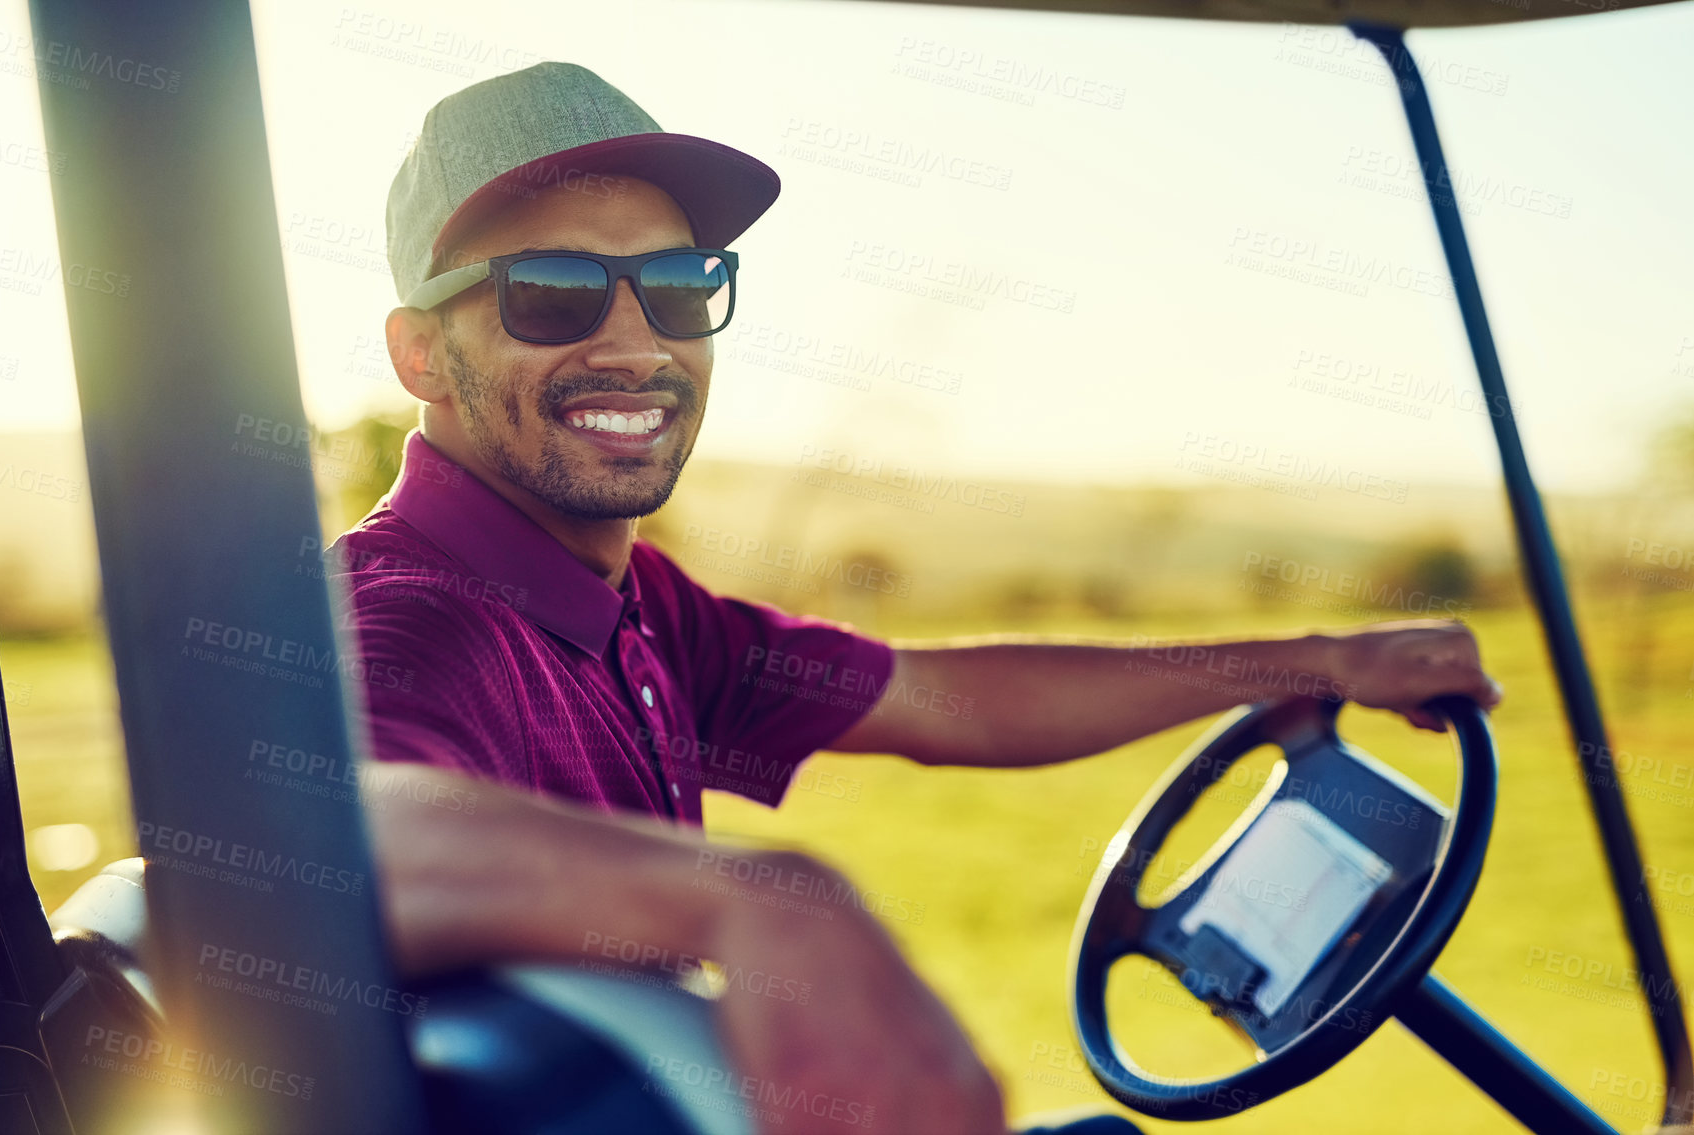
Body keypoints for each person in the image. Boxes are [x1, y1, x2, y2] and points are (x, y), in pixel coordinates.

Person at [330, 62, 1503, 1135]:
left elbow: (945, 702)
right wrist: (764, 897)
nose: (639, 344)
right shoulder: (403, 609)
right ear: (422, 354)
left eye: (683, 286)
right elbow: (336, 831)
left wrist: (1317, 661)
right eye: (551, 292)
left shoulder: (631, 607)